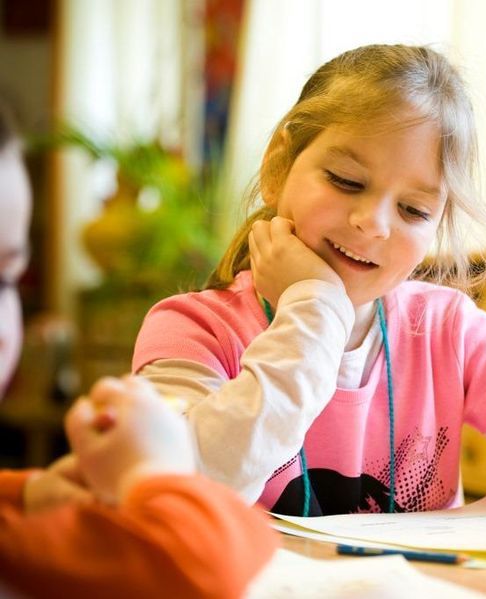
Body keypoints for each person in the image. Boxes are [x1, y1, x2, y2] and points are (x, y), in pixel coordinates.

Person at [133, 44, 486, 550]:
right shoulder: (189, 330)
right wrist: (314, 309)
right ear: (278, 166)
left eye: (413, 210)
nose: (373, 223)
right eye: (346, 180)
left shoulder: (447, 330)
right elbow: (179, 489)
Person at [0, 100, 278, 598]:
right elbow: (214, 561)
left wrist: (31, 494)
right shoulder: (188, 322)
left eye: (7, 279)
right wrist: (154, 473)